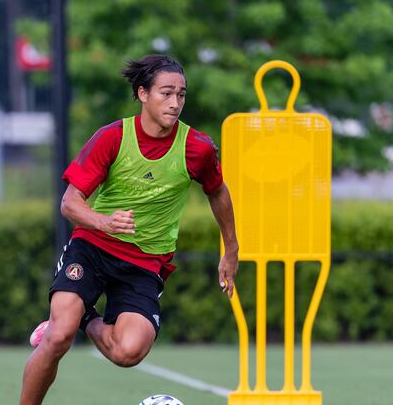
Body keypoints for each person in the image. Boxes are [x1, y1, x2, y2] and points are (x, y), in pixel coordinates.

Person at [19, 54, 239, 405]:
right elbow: (70, 204)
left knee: (129, 352)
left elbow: (218, 192)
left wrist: (231, 249)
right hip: (91, 248)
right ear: (142, 94)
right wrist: (105, 222)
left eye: (181, 95)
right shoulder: (112, 138)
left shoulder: (197, 148)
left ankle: (86, 318)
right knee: (58, 337)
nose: (175, 102)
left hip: (145, 262)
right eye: (166, 93)